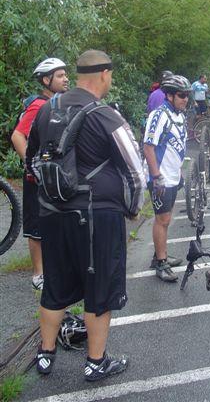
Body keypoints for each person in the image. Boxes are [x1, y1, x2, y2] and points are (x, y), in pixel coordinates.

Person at [26, 50, 146, 381]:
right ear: (104, 74)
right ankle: (96, 362)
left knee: (55, 285)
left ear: (79, 75)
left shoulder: (47, 109)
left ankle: (45, 354)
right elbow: (136, 170)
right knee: (99, 289)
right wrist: (134, 207)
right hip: (96, 216)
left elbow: (32, 160)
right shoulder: (106, 115)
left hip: (53, 213)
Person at [11, 58, 69, 290]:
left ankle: (53, 267)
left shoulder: (56, 102)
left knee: (54, 219)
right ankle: (38, 274)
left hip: (52, 174)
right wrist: (31, 163)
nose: (66, 79)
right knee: (36, 225)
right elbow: (17, 136)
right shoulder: (39, 105)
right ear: (47, 80)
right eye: (60, 75)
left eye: (65, 74)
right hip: (37, 175)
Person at [143, 75, 190, 282]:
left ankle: (159, 254)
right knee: (162, 219)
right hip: (160, 177)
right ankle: (160, 263)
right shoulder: (158, 115)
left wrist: (179, 172)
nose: (185, 99)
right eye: (181, 95)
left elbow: (175, 147)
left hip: (172, 175)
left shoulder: (179, 115)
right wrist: (156, 176)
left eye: (187, 95)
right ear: (169, 95)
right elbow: (148, 146)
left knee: (166, 219)